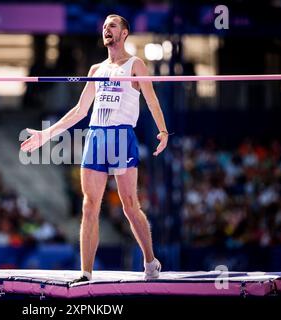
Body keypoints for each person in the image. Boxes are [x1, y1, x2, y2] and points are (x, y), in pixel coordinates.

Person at [20, 14, 169, 283]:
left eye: (112, 26)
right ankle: (86, 273)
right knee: (89, 206)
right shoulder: (95, 70)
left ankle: (150, 261)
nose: (106, 30)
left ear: (124, 33)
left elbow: (152, 100)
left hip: (122, 136)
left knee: (130, 206)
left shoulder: (135, 64)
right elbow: (80, 111)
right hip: (96, 135)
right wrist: (46, 135)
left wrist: (163, 130)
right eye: (104, 27)